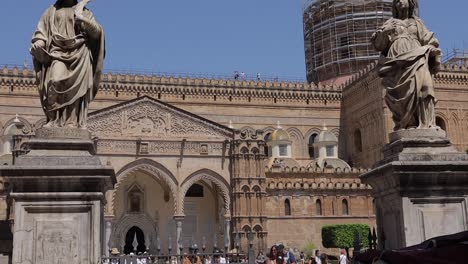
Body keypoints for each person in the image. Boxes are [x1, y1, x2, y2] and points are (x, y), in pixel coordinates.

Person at [31, 0, 105, 129]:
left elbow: (97, 33)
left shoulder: (85, 12)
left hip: (80, 53)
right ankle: (54, 119)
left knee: (77, 89)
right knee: (55, 80)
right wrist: (39, 43)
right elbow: (41, 32)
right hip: (57, 53)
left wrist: (83, 20)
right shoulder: (51, 11)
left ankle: (72, 121)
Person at [371, 0, 441, 131]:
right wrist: (384, 33)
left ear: (410, 3)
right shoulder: (390, 23)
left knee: (426, 86)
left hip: (419, 56)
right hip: (397, 62)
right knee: (404, 93)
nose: (399, 3)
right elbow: (378, 45)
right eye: (396, 1)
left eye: (402, 0)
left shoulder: (417, 22)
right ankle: (409, 123)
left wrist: (433, 49)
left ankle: (427, 124)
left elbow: (429, 39)